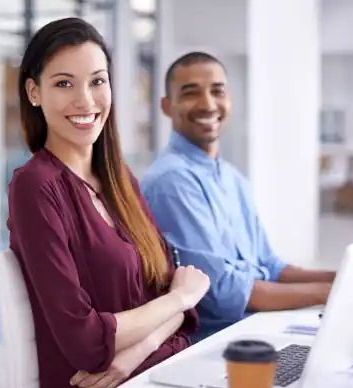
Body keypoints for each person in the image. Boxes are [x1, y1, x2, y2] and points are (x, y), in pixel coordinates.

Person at [7, 19, 210, 388]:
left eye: (97, 81)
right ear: (34, 92)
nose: (85, 100)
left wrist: (136, 351)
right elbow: (84, 340)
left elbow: (179, 307)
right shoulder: (34, 187)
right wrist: (178, 299)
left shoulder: (121, 180)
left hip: (156, 371)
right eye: (64, 83)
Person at [140, 52, 336, 343]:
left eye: (217, 91)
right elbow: (222, 292)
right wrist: (331, 292)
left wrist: (345, 277)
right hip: (216, 344)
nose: (208, 104)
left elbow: (272, 267)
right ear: (167, 107)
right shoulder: (171, 181)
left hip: (259, 326)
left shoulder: (233, 178)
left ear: (229, 101)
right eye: (191, 93)